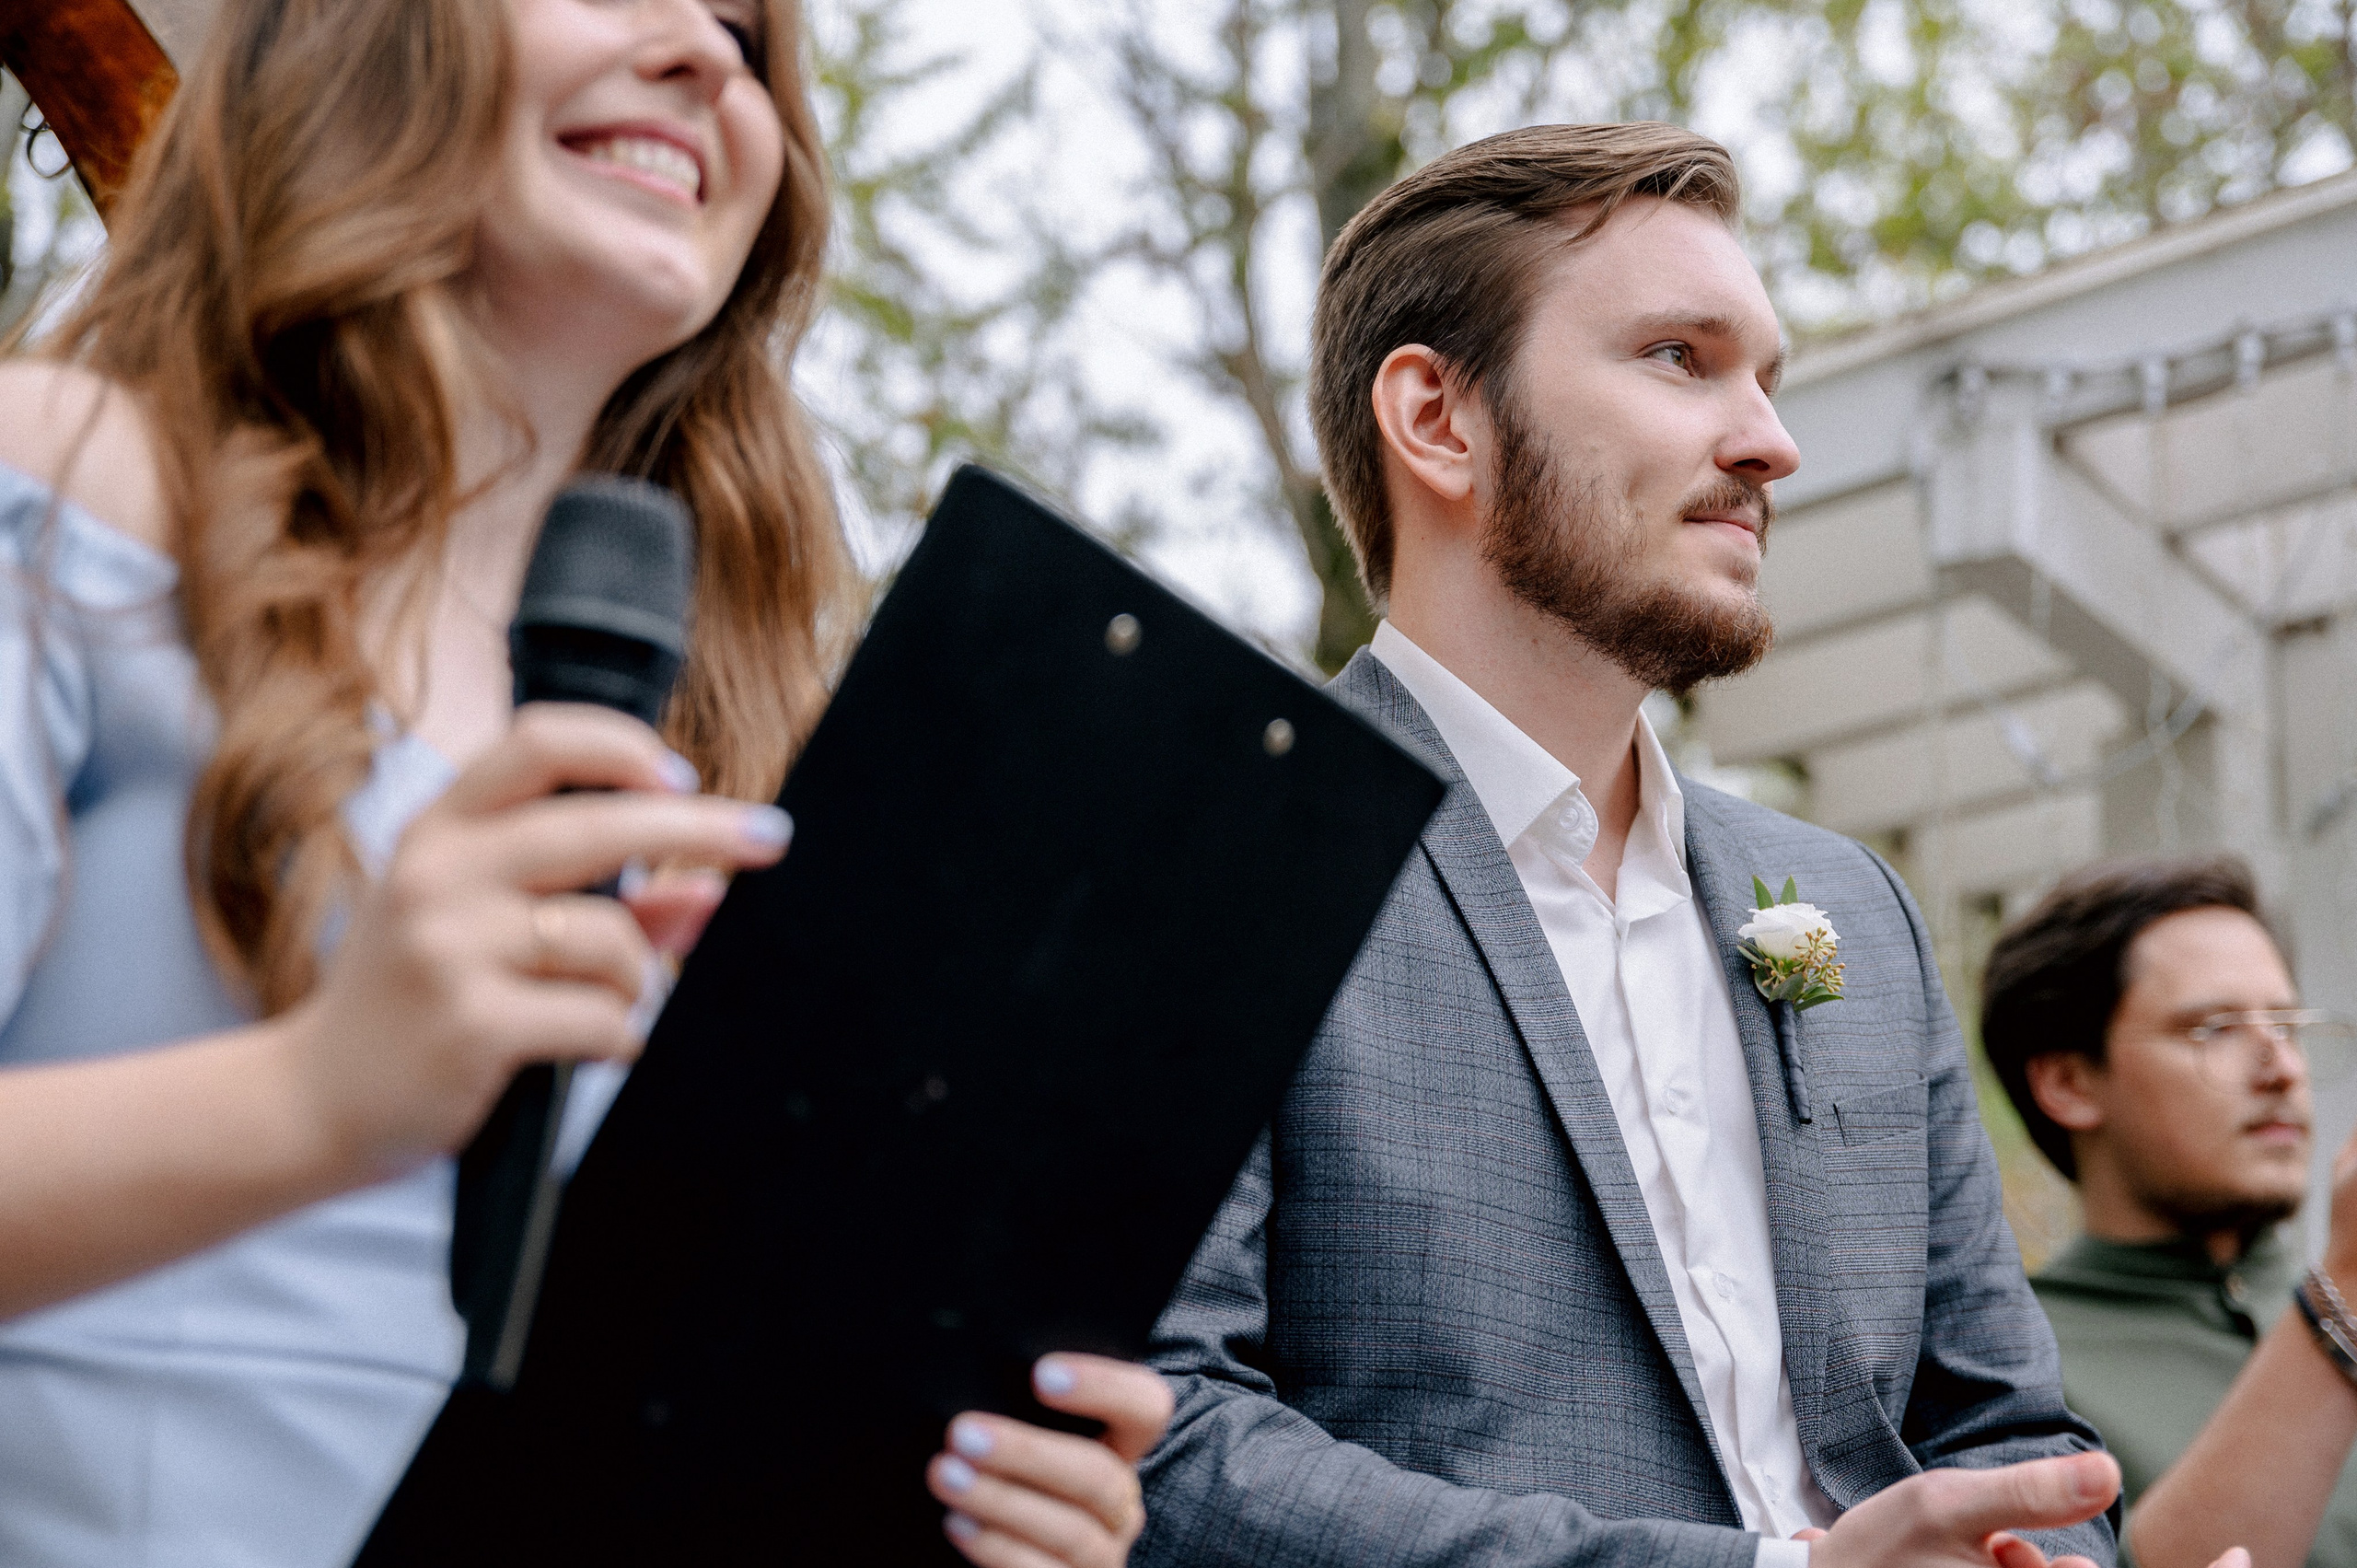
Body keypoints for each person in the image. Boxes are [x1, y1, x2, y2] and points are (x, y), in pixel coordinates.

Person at [0, 2, 1167, 1564]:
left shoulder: (736, 754)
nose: (705, 53)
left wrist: (928, 1493)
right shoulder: (62, 482)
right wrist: (316, 1096)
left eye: (752, 36)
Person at [1133, 121, 2133, 1568]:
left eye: (1769, 379)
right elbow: (1164, 1436)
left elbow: (2013, 1431)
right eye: (1681, 357)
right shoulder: (1210, 854)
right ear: (1438, 420)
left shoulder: (1856, 908)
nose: (1772, 442)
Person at [1986, 855, 2357, 1568]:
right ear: (2068, 1081)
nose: (2282, 1066)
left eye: (2286, 1023)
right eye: (2215, 1027)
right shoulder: (2002, 1369)